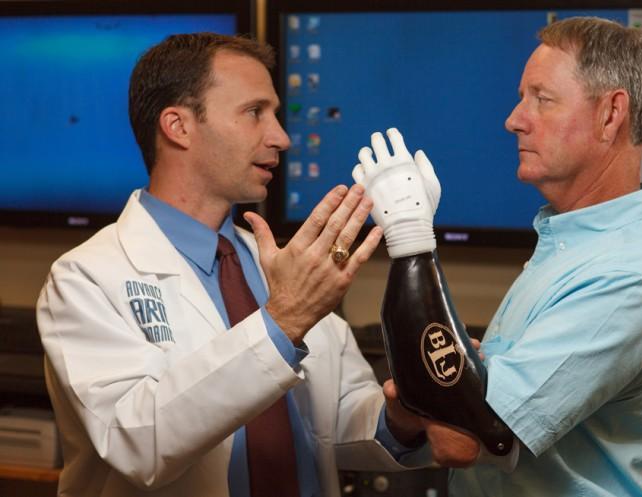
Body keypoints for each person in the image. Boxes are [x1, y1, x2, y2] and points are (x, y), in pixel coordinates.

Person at [36, 33, 457, 497]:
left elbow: (330, 421)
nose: (282, 137)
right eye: (255, 112)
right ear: (178, 126)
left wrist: (400, 417)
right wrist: (285, 320)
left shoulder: (280, 263)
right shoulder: (86, 278)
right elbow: (137, 442)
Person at [362, 17, 642, 497]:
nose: (514, 119)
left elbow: (467, 439)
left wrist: (412, 241)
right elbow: (464, 401)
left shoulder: (629, 273)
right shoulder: (575, 245)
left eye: (541, 99)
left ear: (610, 115)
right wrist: (449, 386)